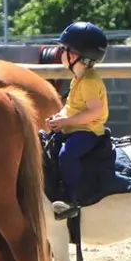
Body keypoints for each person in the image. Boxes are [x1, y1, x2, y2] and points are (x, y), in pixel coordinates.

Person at [46, 22, 110, 220]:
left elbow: (94, 112)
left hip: (88, 131)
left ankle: (71, 200)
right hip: (75, 127)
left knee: (68, 154)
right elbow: (71, 106)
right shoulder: (78, 79)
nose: (59, 53)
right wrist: (60, 117)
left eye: (63, 50)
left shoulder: (90, 81)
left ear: (74, 55)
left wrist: (66, 123)